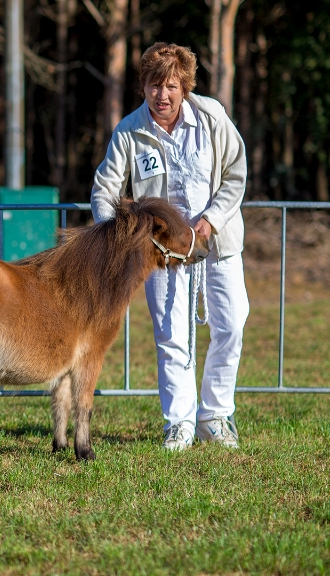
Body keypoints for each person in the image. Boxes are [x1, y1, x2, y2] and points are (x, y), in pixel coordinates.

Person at [91, 42, 249, 451]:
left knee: (230, 325)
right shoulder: (129, 131)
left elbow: (236, 173)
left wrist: (211, 219)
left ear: (185, 87)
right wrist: (118, 239)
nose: (163, 95)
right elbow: (105, 189)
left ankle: (215, 416)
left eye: (172, 86)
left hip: (217, 243)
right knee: (170, 336)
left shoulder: (212, 116)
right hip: (161, 255)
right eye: (154, 85)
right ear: (143, 87)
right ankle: (178, 422)